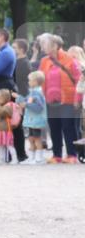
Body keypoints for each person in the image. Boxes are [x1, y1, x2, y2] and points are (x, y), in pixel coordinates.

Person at [38, 33, 82, 163]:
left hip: (68, 100)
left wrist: (77, 99)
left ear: (55, 45)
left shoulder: (70, 60)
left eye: (44, 45)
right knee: (54, 126)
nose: (42, 48)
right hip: (51, 100)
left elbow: (80, 80)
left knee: (68, 126)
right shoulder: (44, 61)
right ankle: (56, 155)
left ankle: (72, 155)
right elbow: (41, 79)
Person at [17, 71, 48, 164]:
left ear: (36, 82)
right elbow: (27, 101)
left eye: (30, 80)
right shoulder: (33, 92)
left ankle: (39, 158)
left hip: (36, 120)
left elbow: (39, 107)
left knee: (37, 138)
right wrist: (19, 98)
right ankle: (32, 157)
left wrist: (26, 105)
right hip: (32, 120)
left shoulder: (37, 93)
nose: (28, 82)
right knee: (31, 138)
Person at [11, 38, 32, 162]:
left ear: (21, 50)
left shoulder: (23, 63)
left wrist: (22, 99)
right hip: (18, 96)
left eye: (14, 48)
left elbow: (24, 83)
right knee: (16, 127)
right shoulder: (17, 62)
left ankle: (22, 154)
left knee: (18, 127)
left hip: (21, 97)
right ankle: (19, 154)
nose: (12, 50)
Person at [0, 89, 18, 165]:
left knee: (9, 145)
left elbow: (2, 113)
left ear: (4, 99)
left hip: (5, 130)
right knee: (1, 145)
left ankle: (15, 159)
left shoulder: (8, 106)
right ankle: (2, 159)